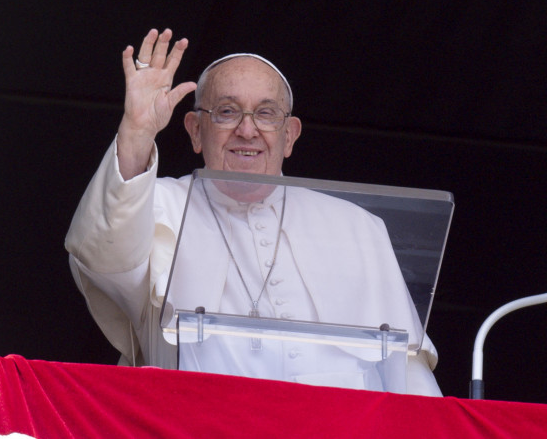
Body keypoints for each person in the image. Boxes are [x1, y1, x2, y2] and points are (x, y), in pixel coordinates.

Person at [65, 29, 442, 395]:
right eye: (227, 112)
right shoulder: (157, 203)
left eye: (266, 114)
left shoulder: (356, 226)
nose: (247, 130)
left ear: (290, 135)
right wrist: (136, 132)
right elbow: (104, 257)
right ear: (196, 130)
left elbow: (405, 365)